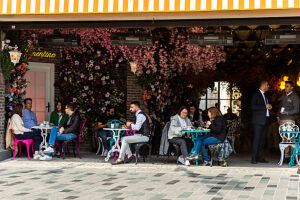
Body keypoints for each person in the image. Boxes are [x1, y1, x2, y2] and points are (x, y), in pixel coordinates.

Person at [276, 81, 300, 161]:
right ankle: (286, 156)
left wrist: (287, 112)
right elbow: (280, 107)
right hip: (282, 119)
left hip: (290, 119)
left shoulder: (295, 96)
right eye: (285, 86)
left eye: (287, 86)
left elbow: (297, 109)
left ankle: (292, 157)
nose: (285, 88)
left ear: (291, 87)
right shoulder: (283, 96)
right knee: (284, 138)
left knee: (291, 138)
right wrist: (277, 116)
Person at [251, 80, 272, 164]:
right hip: (258, 121)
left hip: (265, 120)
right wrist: (265, 106)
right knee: (257, 139)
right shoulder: (256, 94)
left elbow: (266, 107)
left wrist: (269, 106)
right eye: (267, 85)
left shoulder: (266, 95)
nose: (268, 86)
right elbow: (253, 106)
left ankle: (259, 157)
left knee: (262, 140)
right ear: (263, 86)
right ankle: (254, 158)